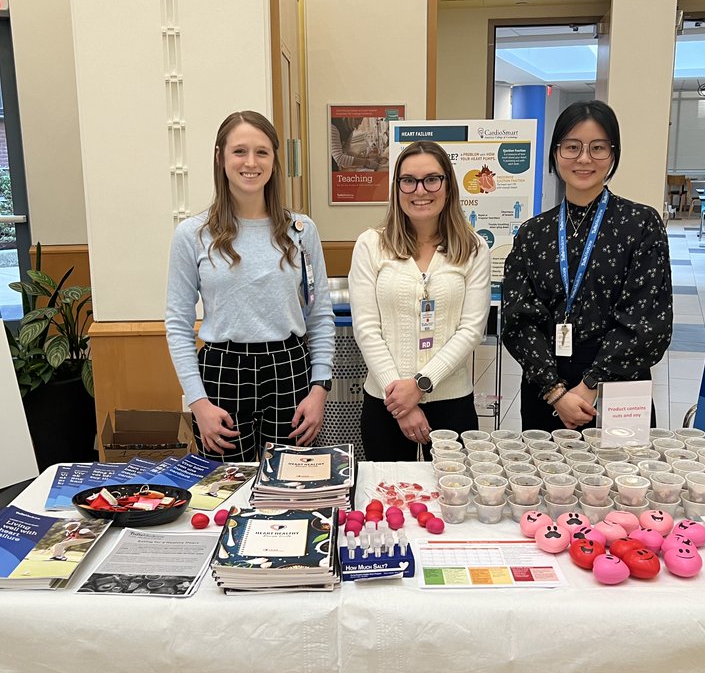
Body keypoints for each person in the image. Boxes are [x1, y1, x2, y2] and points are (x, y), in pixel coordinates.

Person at [166, 110, 334, 461]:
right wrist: (198, 404)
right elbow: (178, 326)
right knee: (226, 490)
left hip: (289, 368)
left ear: (274, 159)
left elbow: (320, 316)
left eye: (262, 152)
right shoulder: (192, 235)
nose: (250, 163)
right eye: (239, 151)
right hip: (223, 372)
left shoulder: (301, 231)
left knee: (291, 487)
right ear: (220, 157)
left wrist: (319, 389)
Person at [502, 100, 673, 431]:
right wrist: (555, 392)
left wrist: (590, 384)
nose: (584, 158)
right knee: (546, 480)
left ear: (613, 155)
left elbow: (648, 320)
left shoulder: (641, 224)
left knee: (622, 480)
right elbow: (516, 320)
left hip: (619, 381)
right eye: (572, 147)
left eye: (598, 148)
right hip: (546, 386)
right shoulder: (533, 232)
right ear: (555, 153)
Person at [349, 140, 491, 460]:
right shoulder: (371, 245)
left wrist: (421, 384)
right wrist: (401, 402)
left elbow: (471, 330)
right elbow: (367, 329)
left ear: (447, 186)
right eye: (408, 180)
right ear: (397, 188)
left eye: (432, 179)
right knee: (388, 504)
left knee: (451, 504)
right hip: (385, 404)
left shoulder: (474, 248)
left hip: (452, 405)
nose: (420, 190)